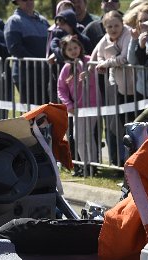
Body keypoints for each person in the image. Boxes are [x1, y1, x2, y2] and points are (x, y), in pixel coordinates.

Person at [94, 9, 134, 165]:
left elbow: (125, 58)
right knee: (122, 123)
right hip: (118, 86)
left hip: (133, 86)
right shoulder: (106, 38)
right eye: (109, 27)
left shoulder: (128, 34)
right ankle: (125, 161)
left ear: (122, 24)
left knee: (133, 123)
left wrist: (107, 63)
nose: (113, 29)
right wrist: (100, 63)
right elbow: (98, 54)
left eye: (116, 25)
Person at [57, 35, 100, 174]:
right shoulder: (67, 68)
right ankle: (84, 164)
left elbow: (98, 75)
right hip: (77, 108)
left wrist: (88, 73)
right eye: (69, 49)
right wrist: (68, 104)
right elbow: (61, 88)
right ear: (65, 52)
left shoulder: (89, 61)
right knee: (78, 137)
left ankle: (91, 165)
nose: (73, 51)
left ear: (80, 47)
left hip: (93, 105)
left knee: (88, 135)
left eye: (75, 47)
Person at [5, 0, 51, 107]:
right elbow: (14, 48)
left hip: (45, 74)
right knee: (33, 114)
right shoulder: (14, 21)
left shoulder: (43, 21)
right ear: (17, 2)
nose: (29, 2)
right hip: (26, 77)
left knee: (47, 112)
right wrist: (39, 62)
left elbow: (51, 42)